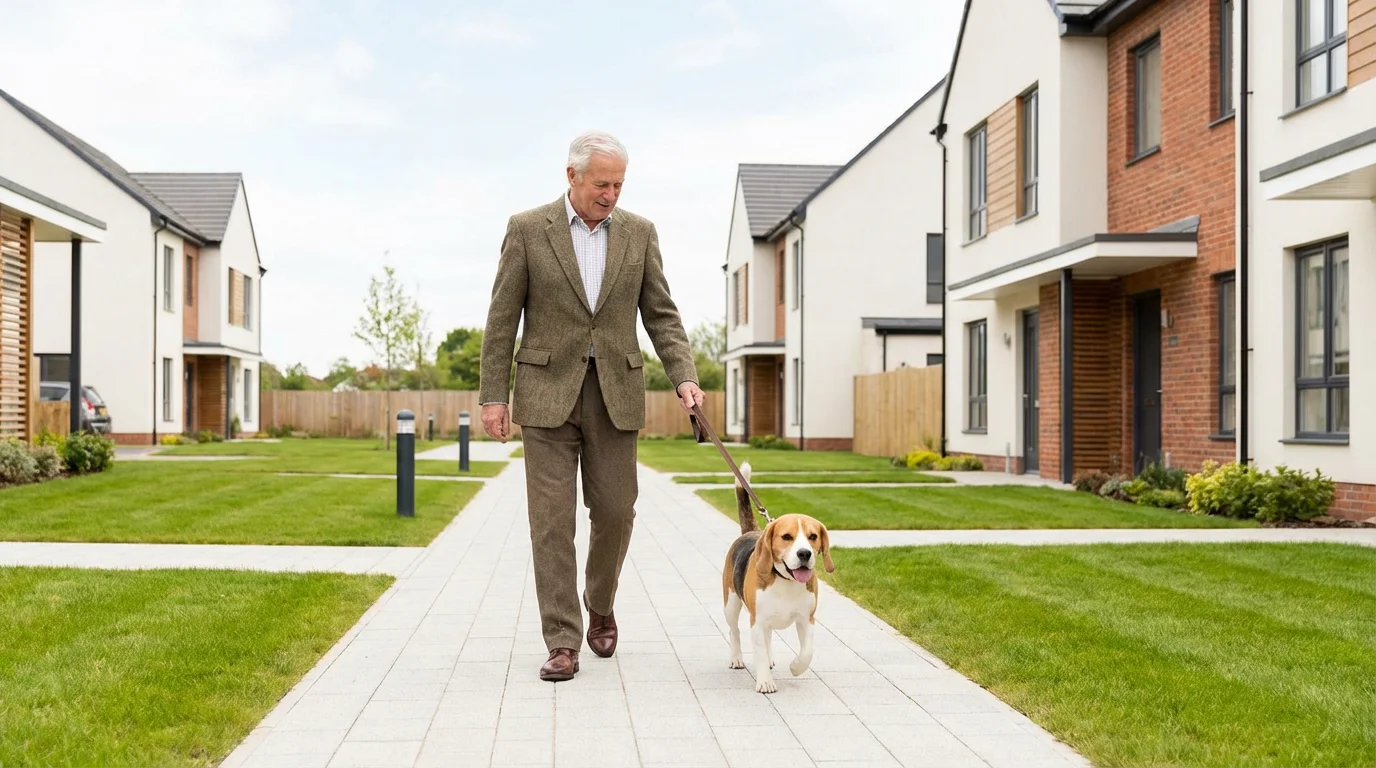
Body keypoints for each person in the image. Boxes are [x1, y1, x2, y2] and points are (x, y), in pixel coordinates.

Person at [478, 131, 705, 681]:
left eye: (619, 184)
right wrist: (493, 395)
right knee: (550, 524)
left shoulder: (640, 233)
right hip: (544, 395)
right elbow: (502, 317)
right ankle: (562, 639)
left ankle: (599, 602)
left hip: (615, 395)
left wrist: (685, 377)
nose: (611, 194)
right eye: (602, 183)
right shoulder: (528, 229)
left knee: (615, 513)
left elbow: (662, 315)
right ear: (572, 176)